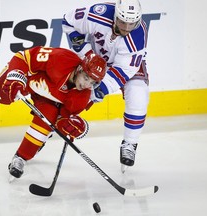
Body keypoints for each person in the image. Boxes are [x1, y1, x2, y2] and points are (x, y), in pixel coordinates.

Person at [0, 46, 106, 178]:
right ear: (80, 69)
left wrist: (67, 125)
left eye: (92, 82)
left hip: (47, 99)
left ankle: (21, 158)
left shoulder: (83, 95)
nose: (86, 84)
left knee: (46, 120)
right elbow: (23, 57)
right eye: (86, 78)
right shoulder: (61, 59)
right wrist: (16, 75)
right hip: (28, 79)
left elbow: (62, 116)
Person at [62, 0, 149, 168]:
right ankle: (48, 128)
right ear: (115, 16)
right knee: (68, 91)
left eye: (132, 23)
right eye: (123, 22)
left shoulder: (137, 37)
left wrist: (99, 89)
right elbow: (68, 21)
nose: (126, 28)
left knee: (138, 94)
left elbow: (123, 71)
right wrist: (85, 53)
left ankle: (130, 144)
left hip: (124, 67)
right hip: (95, 59)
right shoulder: (98, 13)